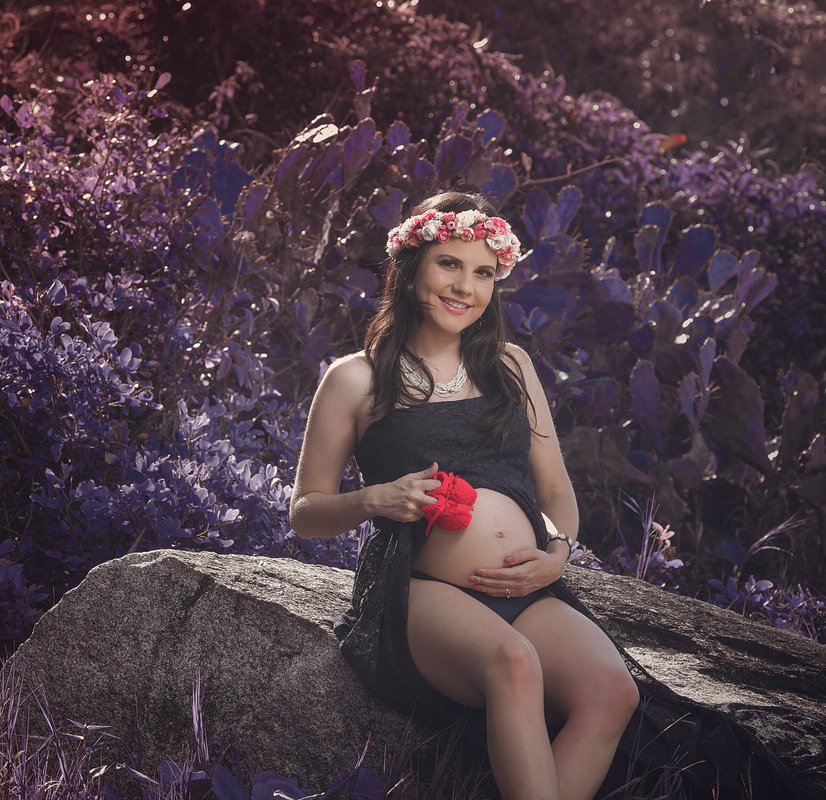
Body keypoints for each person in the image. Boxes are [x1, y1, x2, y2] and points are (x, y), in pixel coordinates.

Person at [288, 191, 806, 800]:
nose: (466, 288)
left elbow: (557, 492)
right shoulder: (354, 376)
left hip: (529, 587)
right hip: (424, 592)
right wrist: (376, 499)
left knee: (614, 692)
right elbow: (304, 512)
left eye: (483, 273)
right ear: (410, 267)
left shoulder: (510, 365)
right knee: (515, 664)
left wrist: (557, 553)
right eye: (449, 264)